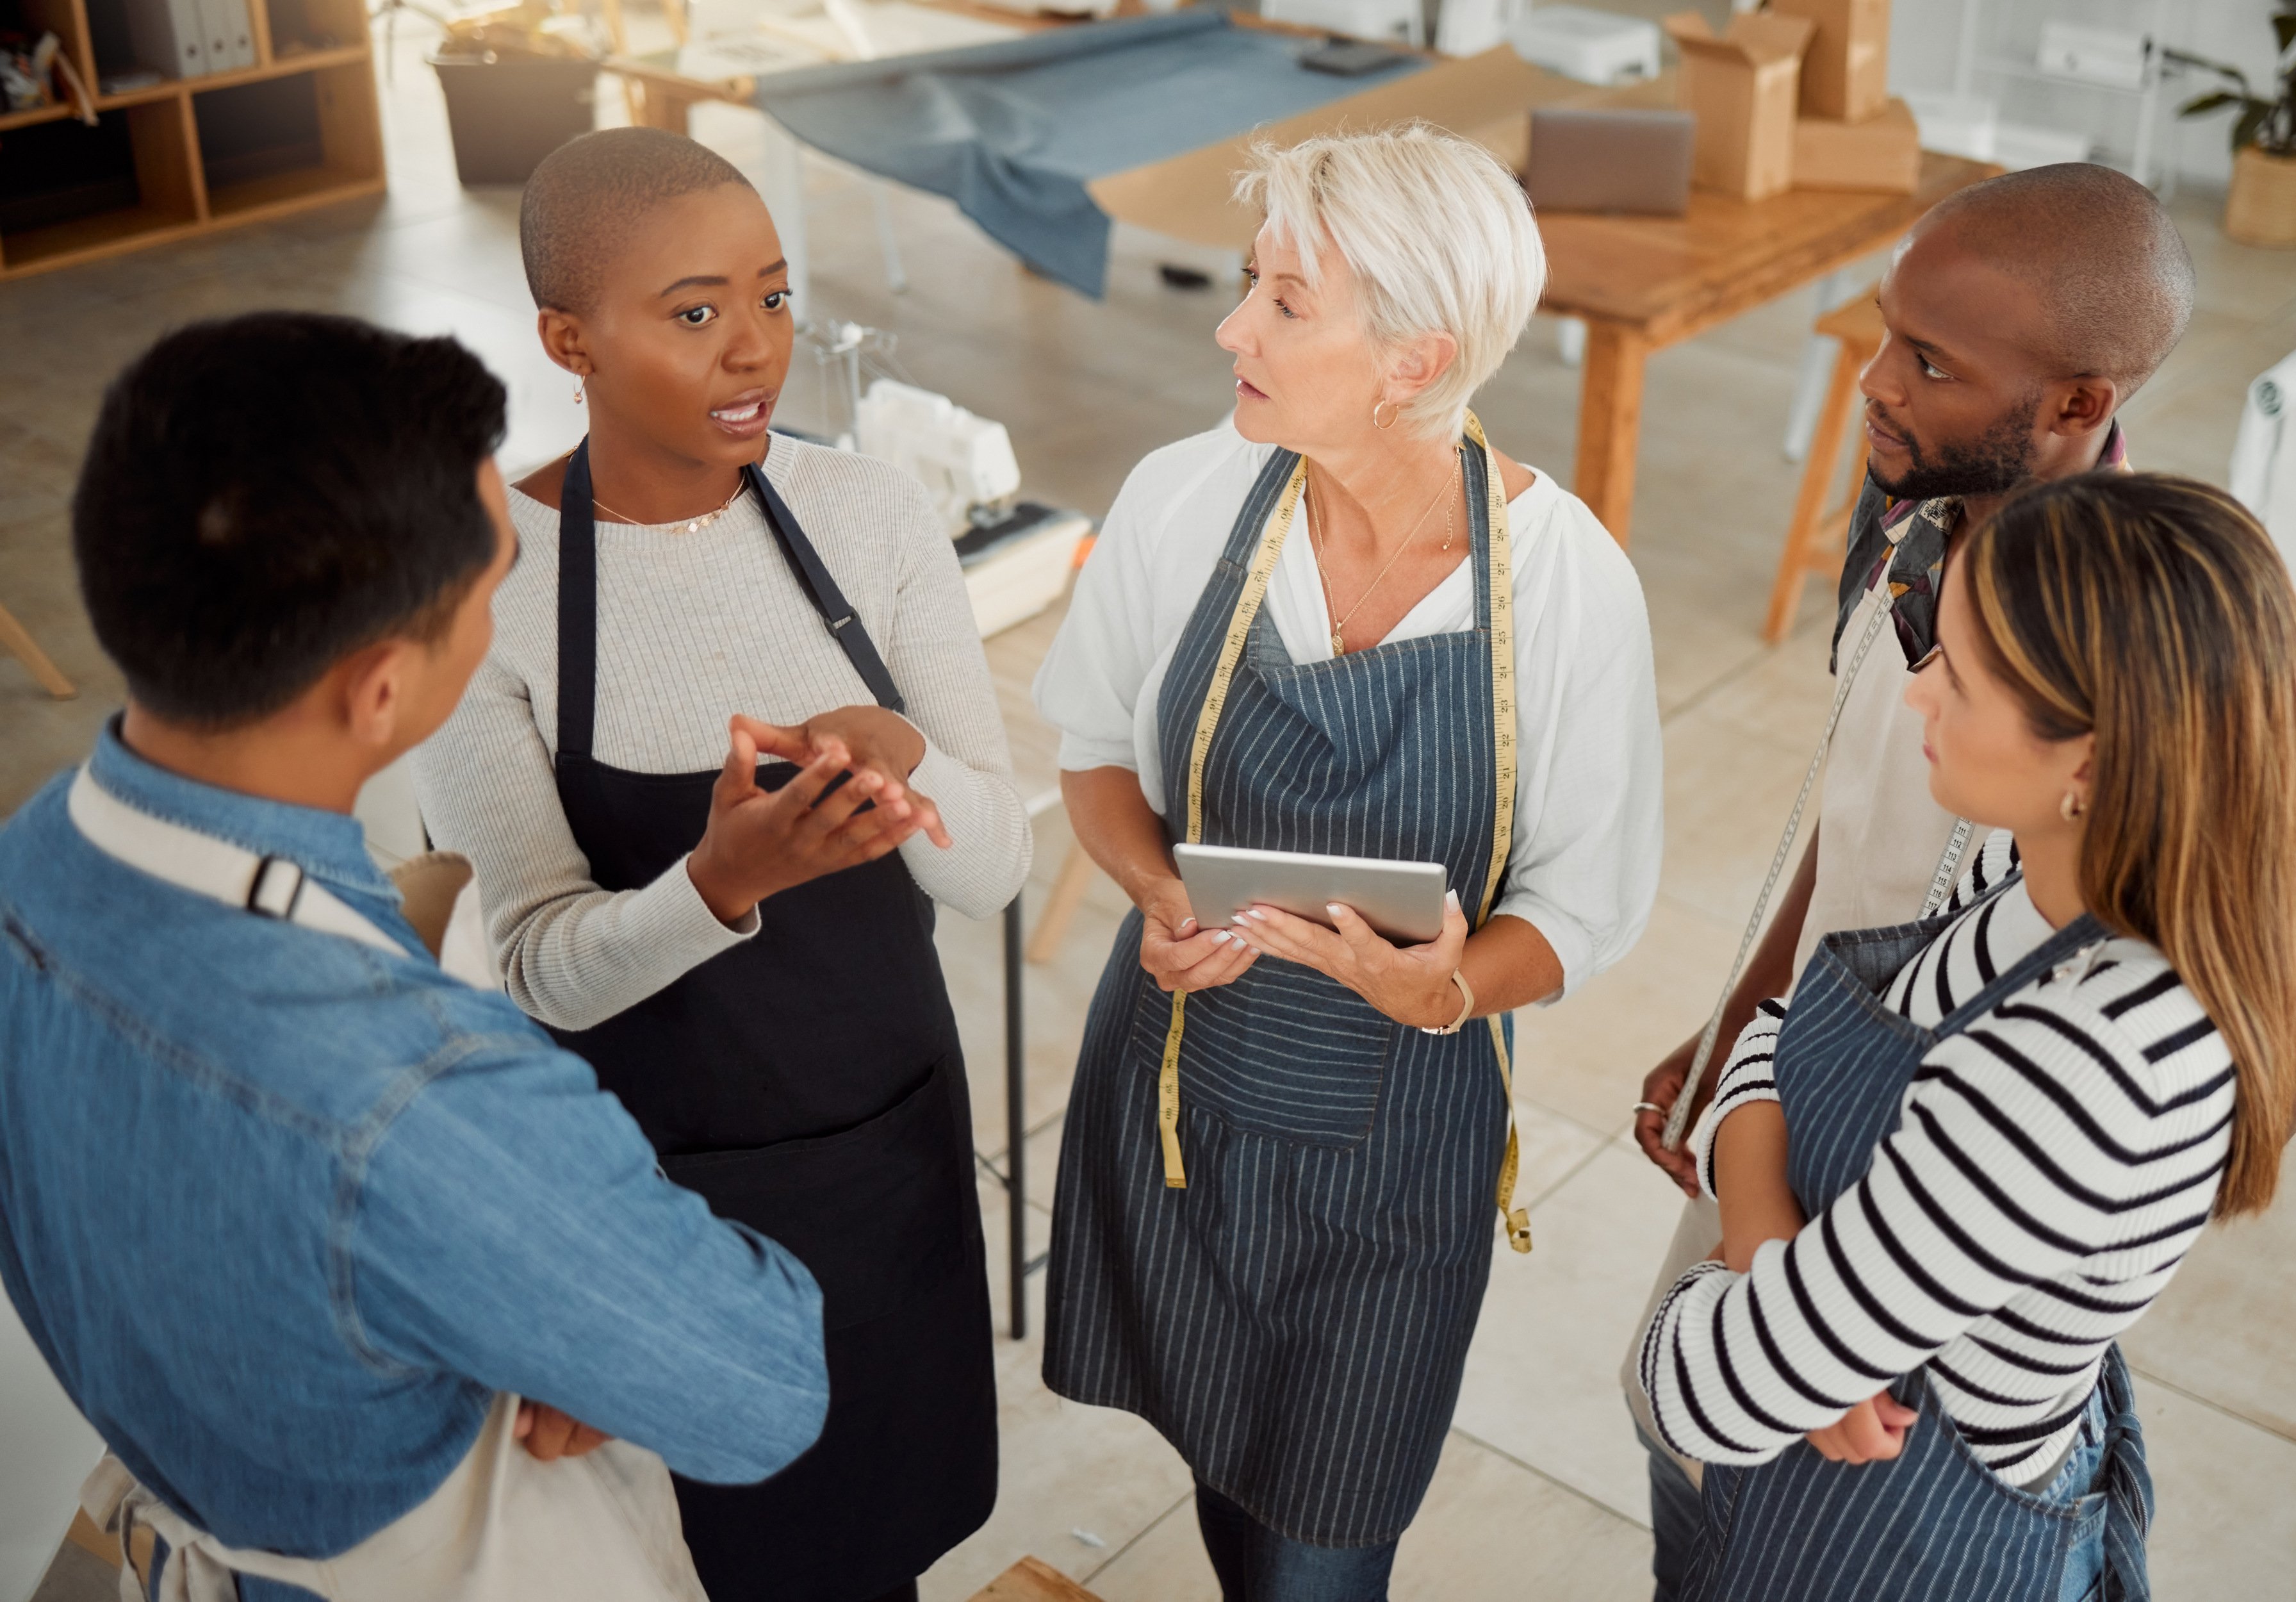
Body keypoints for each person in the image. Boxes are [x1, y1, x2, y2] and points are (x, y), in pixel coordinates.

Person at [0, 313, 831, 1602]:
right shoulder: (414, 1098)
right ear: (381, 690)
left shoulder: (30, 868)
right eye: (491, 590)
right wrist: (576, 1308)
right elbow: (761, 1385)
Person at [1034, 126, 1662, 1598]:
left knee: (1323, 1535)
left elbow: (1581, 904)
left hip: (1397, 1152)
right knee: (1223, 1456)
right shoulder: (1186, 495)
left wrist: (1452, 987)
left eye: (1284, 301)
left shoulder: (1565, 582)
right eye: (1249, 284)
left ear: (1410, 359)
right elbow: (1093, 750)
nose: (1231, 328)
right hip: (1181, 1092)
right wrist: (1157, 892)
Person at [414, 127, 1029, 1602]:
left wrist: (903, 752)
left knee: (872, 1547)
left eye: (771, 294)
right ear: (569, 340)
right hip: (650, 1184)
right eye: (695, 312)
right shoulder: (480, 589)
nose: (754, 346)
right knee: (710, 1551)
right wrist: (718, 884)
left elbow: (997, 866)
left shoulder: (873, 515)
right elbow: (536, 965)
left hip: (884, 1149)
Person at [1620, 162, 2195, 1599]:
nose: (1874, 382)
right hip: (1809, 1083)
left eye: (1929, 362)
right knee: (1698, 1504)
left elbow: (1725, 1373)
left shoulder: (2111, 692)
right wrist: (1745, 1019)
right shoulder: (1911, 516)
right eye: (1886, 331)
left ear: (2077, 402)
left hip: (1900, 1203)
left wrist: (1770, 1269)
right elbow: (1861, 796)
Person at [1643, 471, 2296, 1601]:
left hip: (1910, 1549)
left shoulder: (2077, 1071)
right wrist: (1766, 1246)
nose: (1917, 695)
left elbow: (1706, 1390)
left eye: (1961, 676)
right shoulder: (2036, 871)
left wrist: (1761, 1286)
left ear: (2089, 759)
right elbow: (1781, 1030)